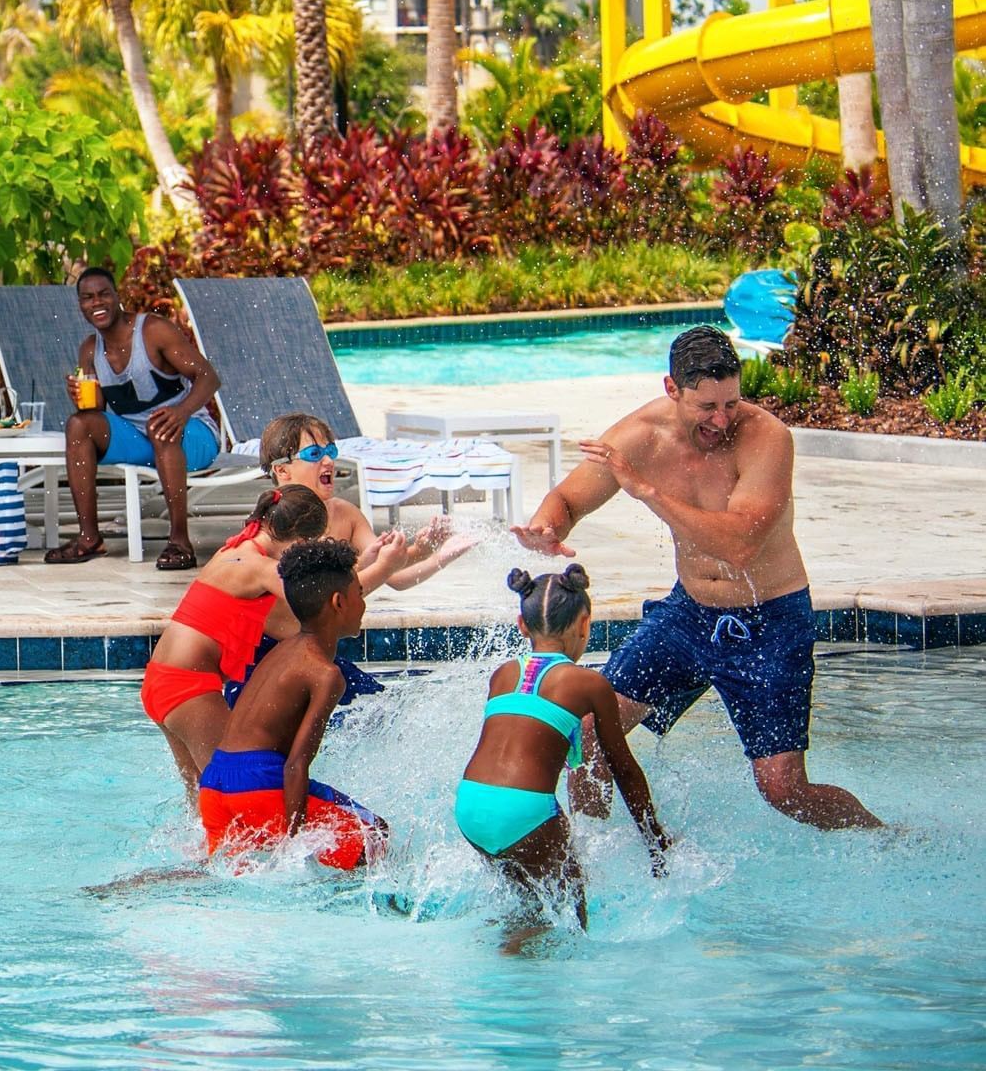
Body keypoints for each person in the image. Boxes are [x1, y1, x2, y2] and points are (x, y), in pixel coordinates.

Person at [513, 326, 882, 830]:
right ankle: (590, 860)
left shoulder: (766, 437)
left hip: (769, 622)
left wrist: (646, 490)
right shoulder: (641, 436)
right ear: (672, 390)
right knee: (589, 731)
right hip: (690, 615)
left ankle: (881, 835)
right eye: (707, 406)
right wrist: (547, 527)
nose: (722, 418)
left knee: (784, 790)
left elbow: (738, 544)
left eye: (731, 402)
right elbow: (569, 500)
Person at [455, 566, 670, 950]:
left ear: (522, 624)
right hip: (524, 810)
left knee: (528, 908)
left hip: (471, 806)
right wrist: (655, 840)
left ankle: (504, 964)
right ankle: (537, 999)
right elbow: (623, 768)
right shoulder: (589, 684)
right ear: (584, 623)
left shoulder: (503, 674)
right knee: (571, 922)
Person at [198, 539, 389, 872]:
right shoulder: (325, 674)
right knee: (374, 835)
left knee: (222, 874)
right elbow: (296, 765)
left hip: (215, 784)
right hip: (259, 784)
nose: (364, 604)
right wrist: (293, 841)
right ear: (339, 602)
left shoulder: (281, 651)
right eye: (360, 593)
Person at [142, 487, 328, 800]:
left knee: (205, 803)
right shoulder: (260, 567)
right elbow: (323, 608)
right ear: (301, 541)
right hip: (189, 688)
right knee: (240, 796)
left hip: (162, 681)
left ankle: (201, 852)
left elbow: (293, 622)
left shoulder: (235, 549)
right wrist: (384, 566)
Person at [44, 267, 222, 571]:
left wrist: (181, 412)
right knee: (78, 425)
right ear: (81, 306)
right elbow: (98, 407)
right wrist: (80, 396)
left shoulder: (153, 331)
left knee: (159, 426)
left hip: (192, 433)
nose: (96, 302)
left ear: (117, 297)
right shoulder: (90, 350)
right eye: (88, 298)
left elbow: (208, 377)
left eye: (103, 294)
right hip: (143, 439)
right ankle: (90, 538)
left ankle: (180, 541)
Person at [259, 412, 476, 593]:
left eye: (330, 451)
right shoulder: (274, 525)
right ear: (282, 470)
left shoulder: (345, 513)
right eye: (314, 454)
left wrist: (429, 552)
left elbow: (393, 575)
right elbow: (315, 597)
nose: (329, 461)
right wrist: (373, 563)